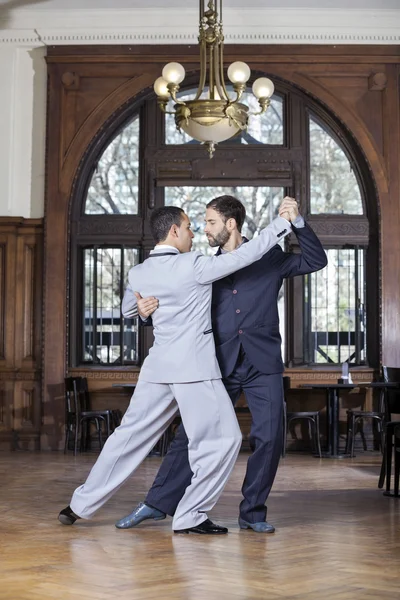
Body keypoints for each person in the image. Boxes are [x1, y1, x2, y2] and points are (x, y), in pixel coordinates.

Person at [58, 202, 294, 535]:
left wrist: (142, 310)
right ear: (174, 231)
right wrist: (280, 225)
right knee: (225, 439)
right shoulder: (193, 265)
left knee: (128, 436)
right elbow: (247, 255)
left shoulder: (139, 272)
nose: (195, 232)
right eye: (189, 227)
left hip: (157, 368)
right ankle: (191, 515)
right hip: (194, 370)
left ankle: (79, 505)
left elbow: (129, 310)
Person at [115, 196, 327, 533]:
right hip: (215, 363)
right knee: (191, 436)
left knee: (269, 437)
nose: (203, 229)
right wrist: (144, 315)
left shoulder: (270, 257)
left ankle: (253, 512)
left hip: (263, 362)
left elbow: (316, 260)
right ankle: (156, 504)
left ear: (230, 224)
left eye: (210, 222)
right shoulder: (198, 265)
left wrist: (298, 222)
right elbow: (165, 302)